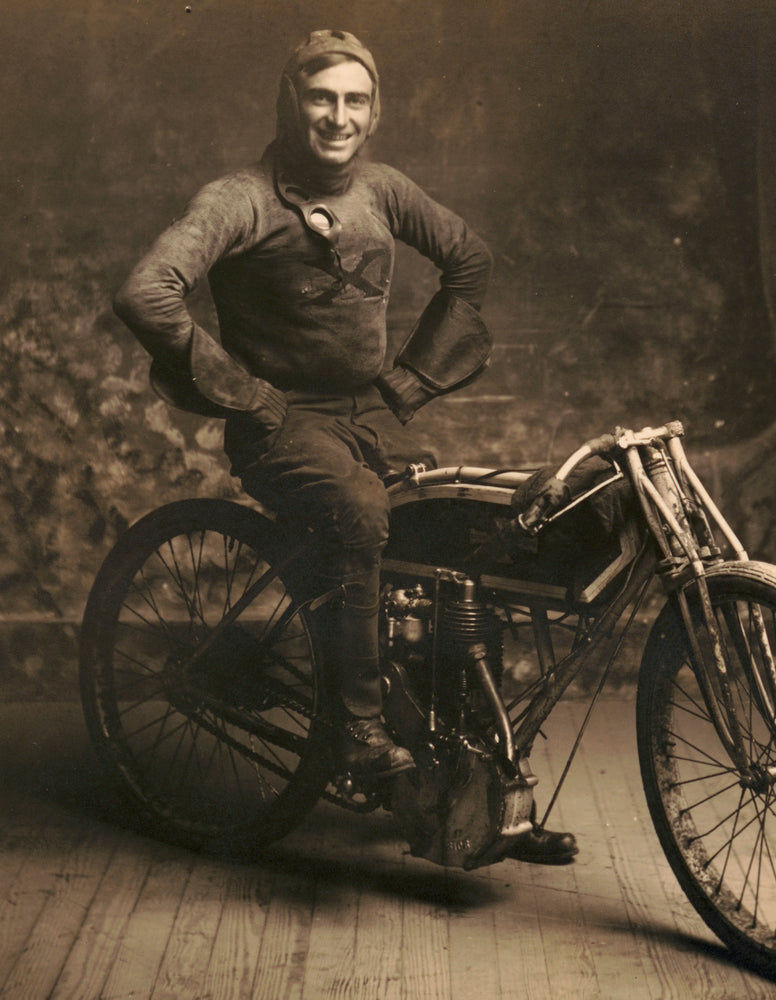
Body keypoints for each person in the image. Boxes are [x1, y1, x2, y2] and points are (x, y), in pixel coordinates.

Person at [113, 30, 577, 864]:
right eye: (321, 98)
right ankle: (360, 728)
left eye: (355, 100)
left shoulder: (384, 190)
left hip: (361, 417)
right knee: (362, 514)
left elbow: (470, 261)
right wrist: (248, 393)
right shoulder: (240, 199)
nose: (338, 117)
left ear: (374, 110)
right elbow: (147, 291)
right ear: (292, 103)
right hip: (281, 427)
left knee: (457, 531)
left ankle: (472, 785)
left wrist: (408, 382)